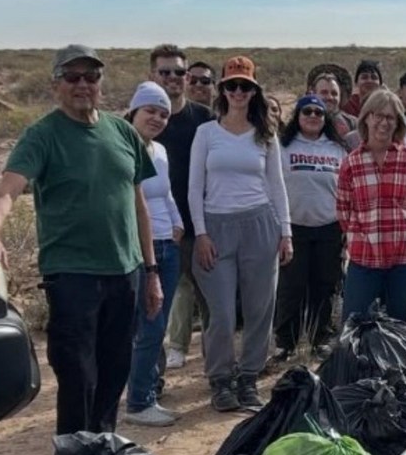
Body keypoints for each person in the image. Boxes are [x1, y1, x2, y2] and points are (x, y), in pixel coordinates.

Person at [0, 45, 160, 434]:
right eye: (72, 77)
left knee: (114, 371)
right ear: (54, 84)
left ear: (101, 84)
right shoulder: (42, 135)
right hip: (73, 275)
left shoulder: (122, 131)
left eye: (91, 77)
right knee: (78, 378)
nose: (83, 85)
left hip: (125, 273)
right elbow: (8, 189)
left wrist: (151, 270)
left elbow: (139, 204)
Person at [189, 56, 292, 413]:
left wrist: (286, 232)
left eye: (244, 86)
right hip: (216, 227)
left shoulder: (266, 134)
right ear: (222, 90)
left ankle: (248, 378)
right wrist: (201, 233)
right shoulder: (206, 133)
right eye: (231, 85)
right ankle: (220, 380)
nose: (238, 92)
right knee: (220, 313)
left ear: (254, 91)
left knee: (259, 307)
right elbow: (194, 188)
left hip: (260, 224)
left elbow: (277, 186)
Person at [337, 90, 406, 322]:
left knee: (400, 325)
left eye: (391, 117)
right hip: (364, 257)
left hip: (405, 259)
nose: (384, 122)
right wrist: (361, 235)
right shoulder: (351, 163)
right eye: (378, 115)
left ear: (398, 123)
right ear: (366, 118)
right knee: (354, 323)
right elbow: (344, 211)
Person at [150, 45, 213, 372]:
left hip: (200, 218)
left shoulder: (204, 118)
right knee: (171, 290)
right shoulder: (144, 119)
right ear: (152, 75)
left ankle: (212, 352)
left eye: (178, 72)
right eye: (165, 72)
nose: (172, 78)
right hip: (158, 224)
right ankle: (174, 347)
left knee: (207, 286)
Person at [123, 83, 183, 427]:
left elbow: (166, 193)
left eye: (163, 113)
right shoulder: (122, 147)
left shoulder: (159, 150)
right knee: (148, 327)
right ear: (134, 111)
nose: (157, 118)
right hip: (139, 248)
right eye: (150, 111)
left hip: (167, 244)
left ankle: (145, 390)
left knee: (153, 325)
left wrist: (177, 224)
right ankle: (138, 401)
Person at [273, 95, 345, 361]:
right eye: (307, 111)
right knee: (291, 287)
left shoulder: (337, 149)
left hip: (329, 226)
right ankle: (285, 342)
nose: (313, 116)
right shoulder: (283, 146)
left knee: (325, 285)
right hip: (293, 227)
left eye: (319, 112)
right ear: (298, 115)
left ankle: (321, 338)